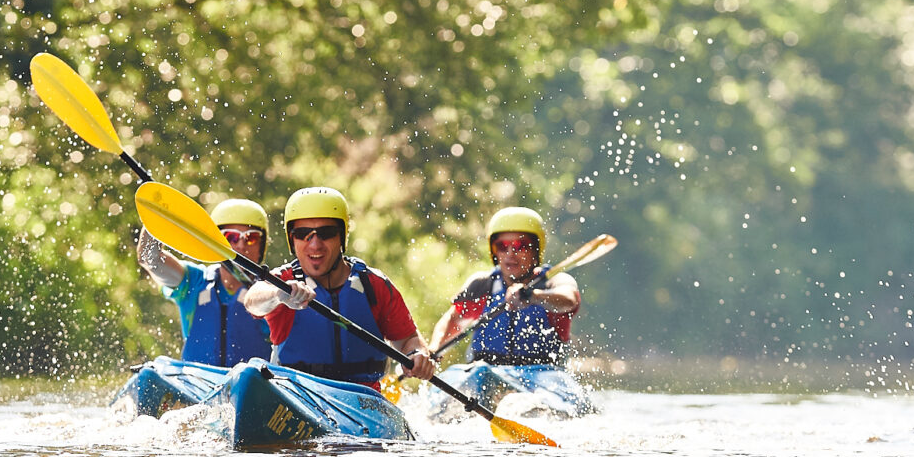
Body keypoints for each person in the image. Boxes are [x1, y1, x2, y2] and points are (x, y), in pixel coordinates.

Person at [240, 186, 436, 389]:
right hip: (298, 396)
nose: (315, 245)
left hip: (363, 401)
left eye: (326, 233)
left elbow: (408, 340)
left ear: (341, 237)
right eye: (303, 234)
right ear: (292, 239)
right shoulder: (283, 282)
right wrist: (278, 294)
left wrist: (417, 354)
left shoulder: (373, 285)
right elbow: (253, 301)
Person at [429, 207, 582, 366]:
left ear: (535, 250)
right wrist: (434, 349)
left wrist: (533, 296)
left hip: (542, 377)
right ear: (494, 251)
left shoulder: (554, 282)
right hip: (485, 373)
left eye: (520, 246)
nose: (510, 253)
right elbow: (453, 320)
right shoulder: (483, 285)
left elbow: (569, 300)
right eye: (502, 246)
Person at [136, 198, 276, 367]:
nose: (241, 245)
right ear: (215, 242)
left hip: (250, 387)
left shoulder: (273, 293)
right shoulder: (193, 281)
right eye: (230, 237)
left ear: (261, 246)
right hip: (198, 386)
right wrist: (158, 214)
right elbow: (150, 259)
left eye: (251, 238)